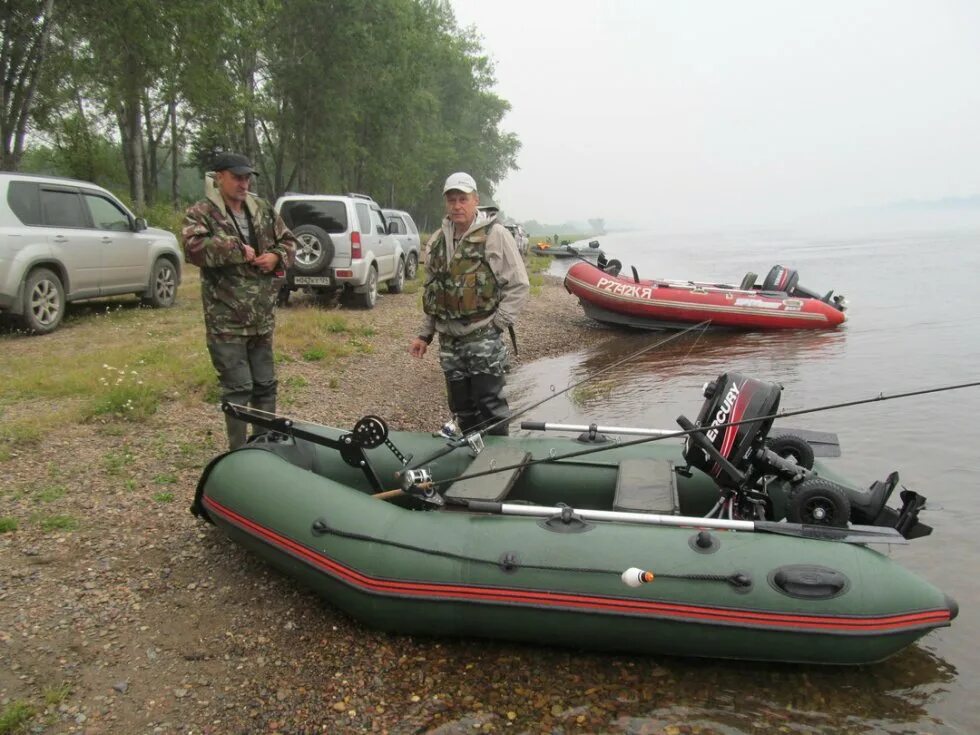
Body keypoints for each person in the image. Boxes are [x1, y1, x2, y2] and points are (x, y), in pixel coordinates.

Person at [181, 152, 297, 450]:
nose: (243, 183)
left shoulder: (261, 209)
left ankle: (264, 448)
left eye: (247, 177)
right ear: (219, 177)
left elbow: (289, 242)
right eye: (237, 177)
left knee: (265, 386)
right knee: (238, 390)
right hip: (226, 319)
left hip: (261, 317)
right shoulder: (202, 212)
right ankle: (238, 454)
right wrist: (234, 248)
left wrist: (276, 256)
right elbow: (193, 248)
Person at [409, 172, 530, 436]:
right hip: (449, 339)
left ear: (475, 200)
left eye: (462, 199)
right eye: (451, 200)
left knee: (490, 405)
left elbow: (519, 285)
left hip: (482, 334)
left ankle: (497, 460)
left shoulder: (495, 235)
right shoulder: (437, 242)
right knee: (462, 408)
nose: (457, 205)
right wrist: (424, 334)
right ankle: (470, 452)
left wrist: (498, 324)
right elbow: (433, 292)